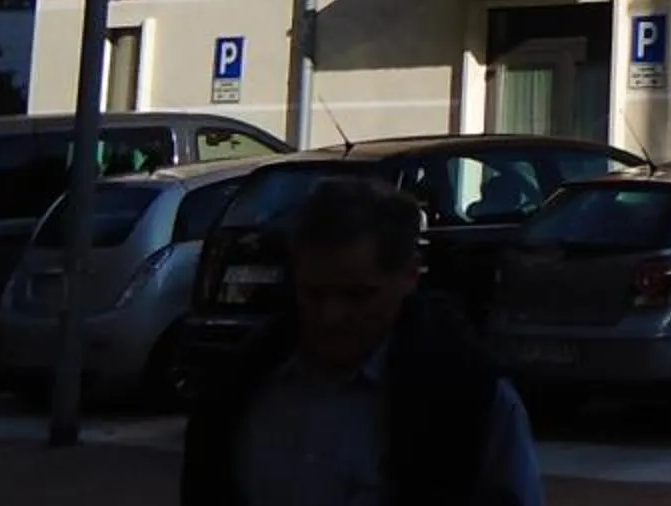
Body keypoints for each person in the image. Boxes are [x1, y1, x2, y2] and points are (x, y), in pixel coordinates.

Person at [182, 177, 545, 506]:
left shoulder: (471, 399)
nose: (330, 316)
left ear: (409, 275)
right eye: (313, 293)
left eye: (357, 296)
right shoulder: (237, 389)